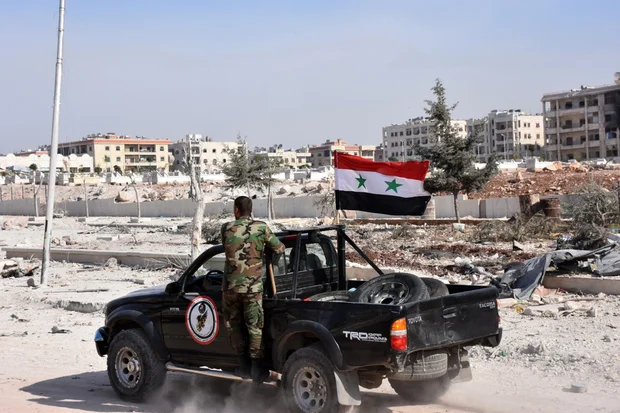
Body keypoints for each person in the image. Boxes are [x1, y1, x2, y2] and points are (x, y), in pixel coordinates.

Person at [220, 196, 285, 383]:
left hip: (230, 288)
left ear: (236, 210)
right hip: (252, 288)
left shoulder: (226, 228)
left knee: (233, 325)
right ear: (251, 210)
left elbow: (229, 247)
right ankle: (257, 368)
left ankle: (243, 366)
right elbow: (279, 248)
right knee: (255, 327)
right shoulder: (261, 228)